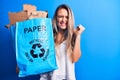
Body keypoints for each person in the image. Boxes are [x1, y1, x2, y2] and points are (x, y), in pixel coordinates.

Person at [40, 4, 85, 80]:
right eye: (60, 16)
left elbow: (75, 59)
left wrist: (78, 36)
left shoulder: (72, 37)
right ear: (56, 18)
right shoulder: (48, 36)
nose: (64, 20)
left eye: (67, 17)